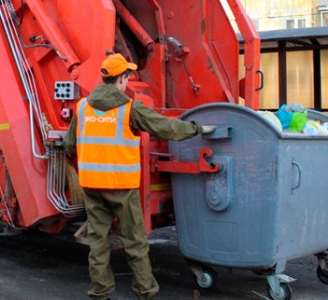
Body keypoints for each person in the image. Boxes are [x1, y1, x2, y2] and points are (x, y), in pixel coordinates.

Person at [63, 53, 215, 300]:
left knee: (98, 243)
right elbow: (165, 127)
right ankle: (145, 292)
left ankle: (101, 292)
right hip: (121, 187)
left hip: (92, 186)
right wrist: (197, 129)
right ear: (121, 79)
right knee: (134, 242)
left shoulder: (82, 107)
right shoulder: (129, 109)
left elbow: (70, 145)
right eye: (127, 76)